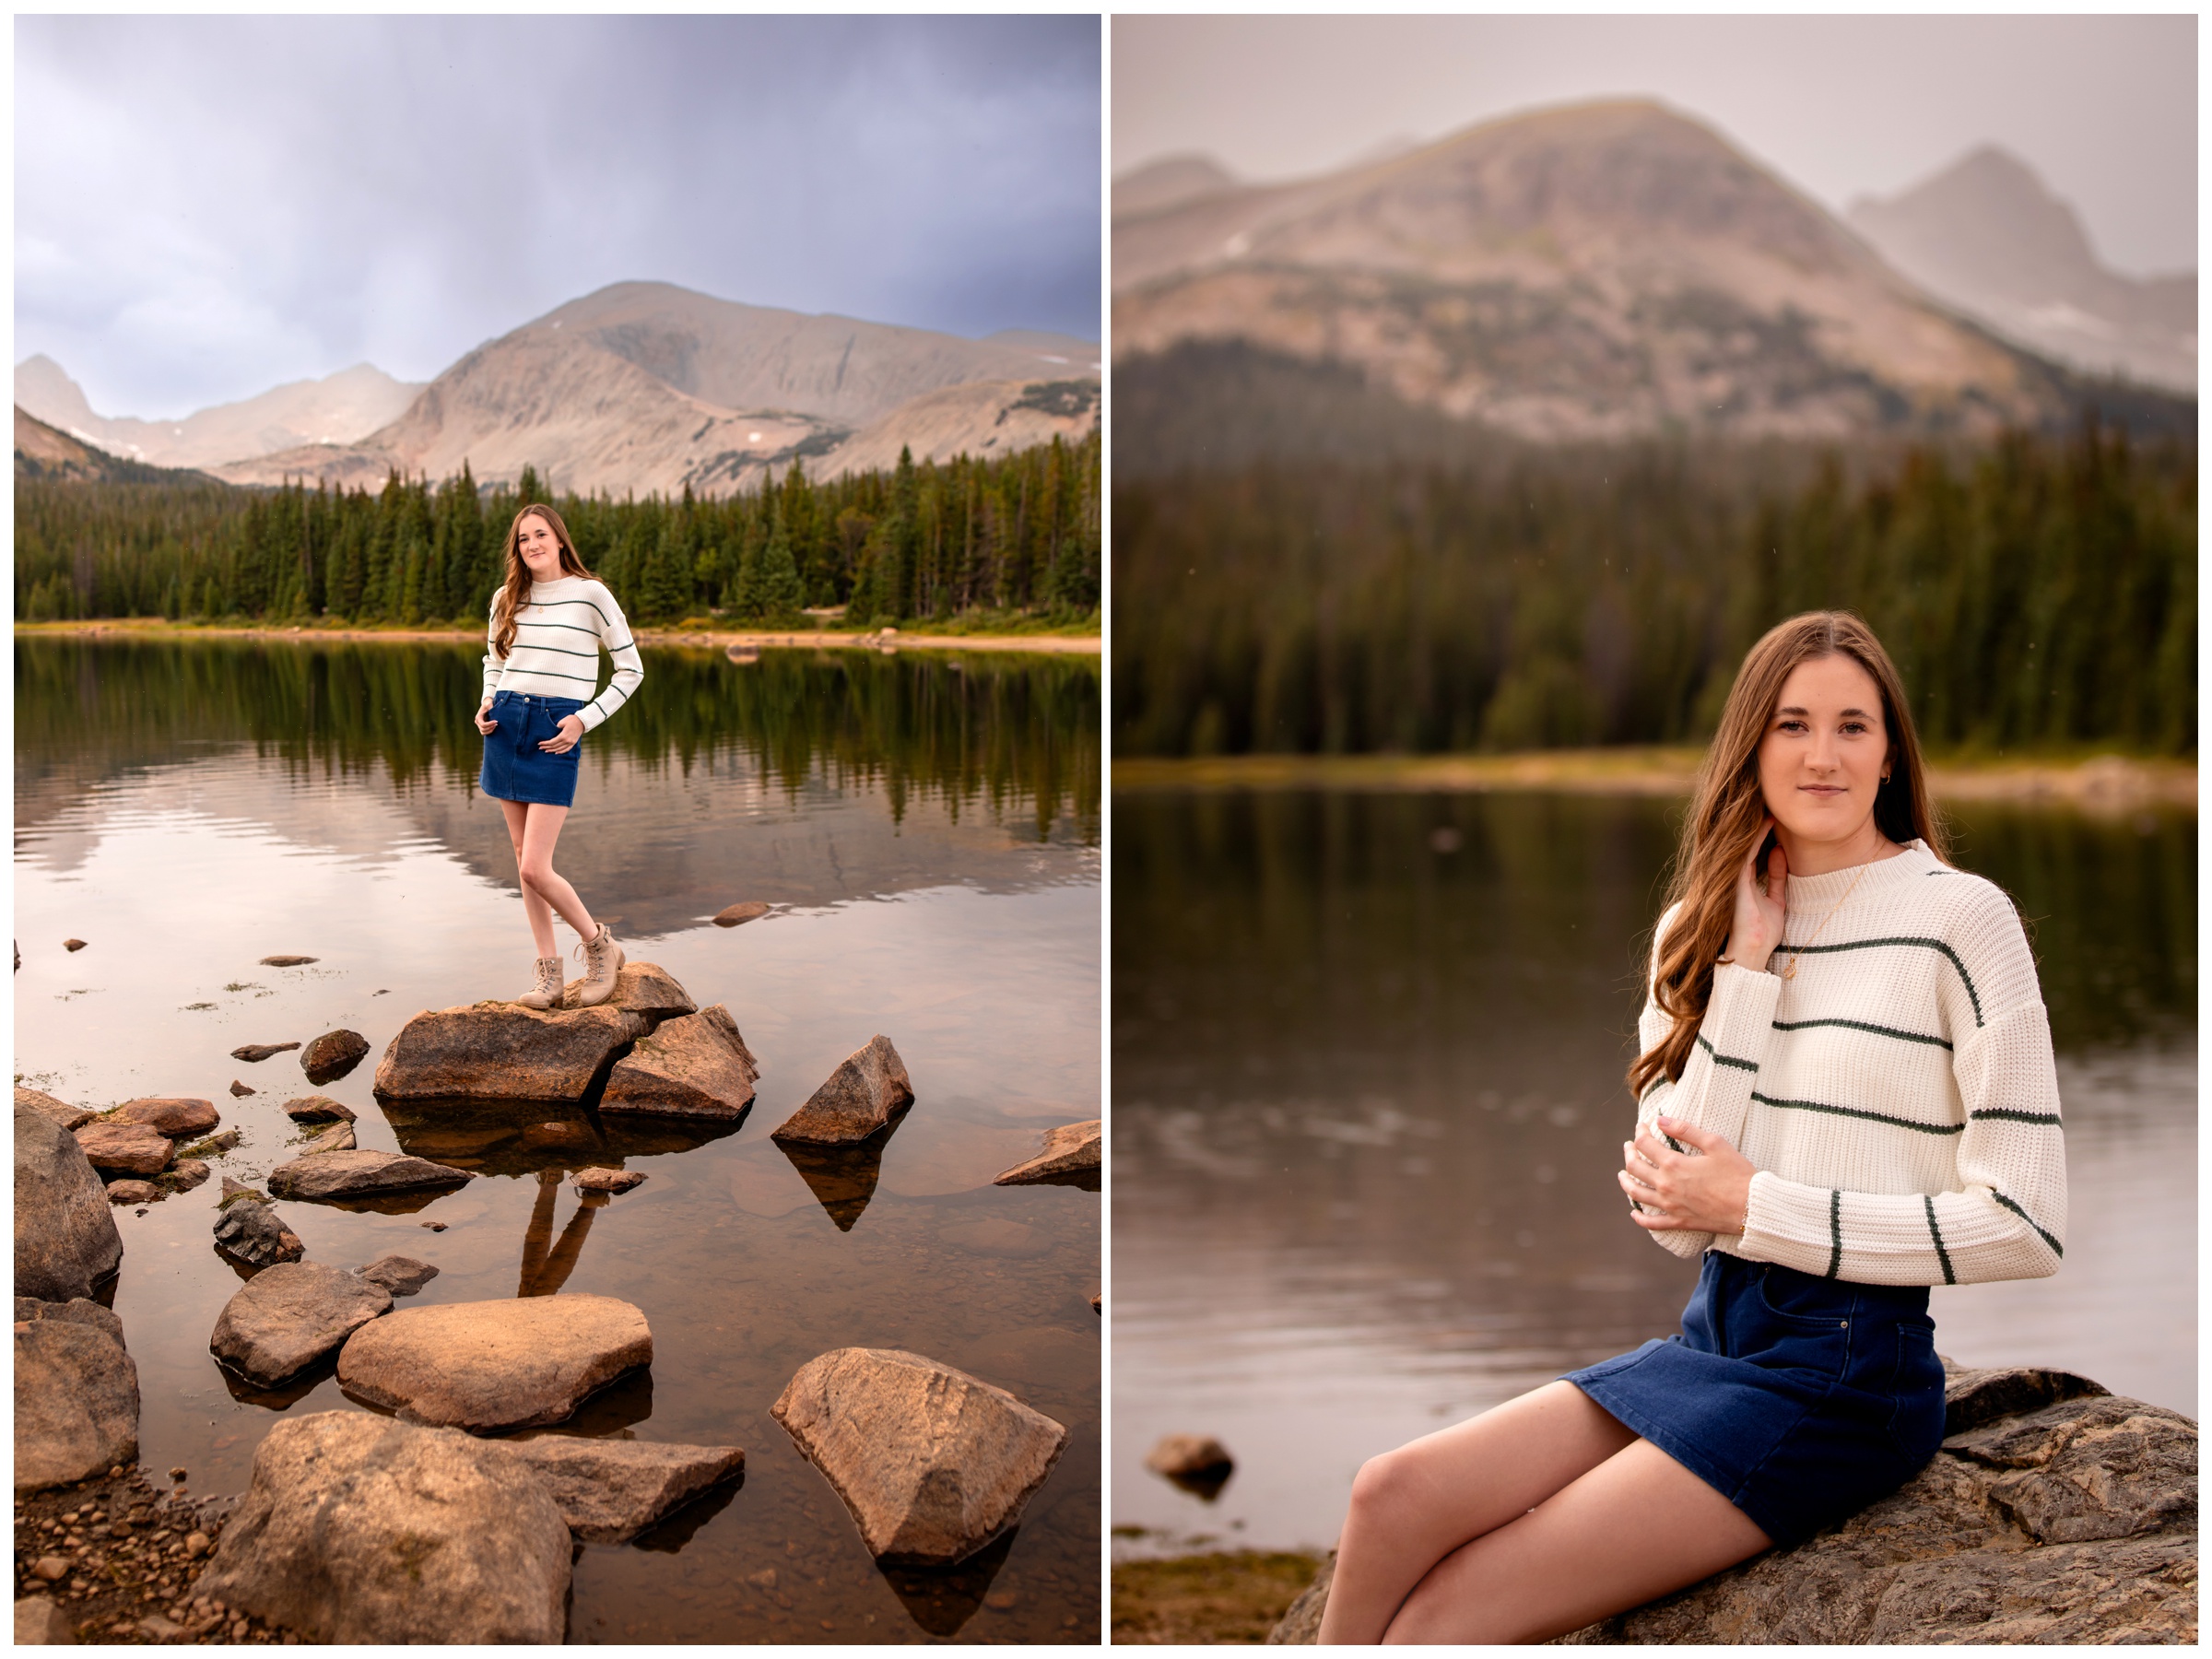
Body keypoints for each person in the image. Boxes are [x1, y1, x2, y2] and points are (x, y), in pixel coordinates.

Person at [1315, 610, 2066, 1644]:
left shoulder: (1961, 920)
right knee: (1388, 1496)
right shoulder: (1697, 930)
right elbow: (1674, 1221)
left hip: (1853, 1374)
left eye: (1853, 726)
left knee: (1445, 1620)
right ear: (1751, 744)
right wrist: (1746, 972)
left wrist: (1758, 1207)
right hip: (1714, 1337)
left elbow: (2027, 1224)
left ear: (1891, 752)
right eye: (1793, 724)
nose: (1822, 755)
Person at [475, 502, 644, 1011]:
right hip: (505, 724)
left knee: (534, 866)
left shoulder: (591, 595)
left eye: (541, 534)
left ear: (560, 539)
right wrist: (486, 701)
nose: (532, 545)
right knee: (521, 858)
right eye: (523, 538)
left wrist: (584, 720)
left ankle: (599, 944)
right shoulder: (507, 597)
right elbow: (494, 660)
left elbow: (631, 670)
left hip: (557, 728)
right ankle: (549, 974)